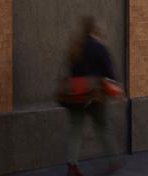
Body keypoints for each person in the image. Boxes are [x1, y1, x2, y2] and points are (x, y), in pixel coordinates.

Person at [59, 16, 120, 175]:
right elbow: (110, 73)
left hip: (76, 96)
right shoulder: (99, 47)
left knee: (75, 130)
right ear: (94, 29)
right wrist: (117, 90)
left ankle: (72, 166)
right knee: (102, 127)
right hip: (95, 95)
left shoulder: (76, 46)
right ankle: (113, 160)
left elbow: (71, 72)